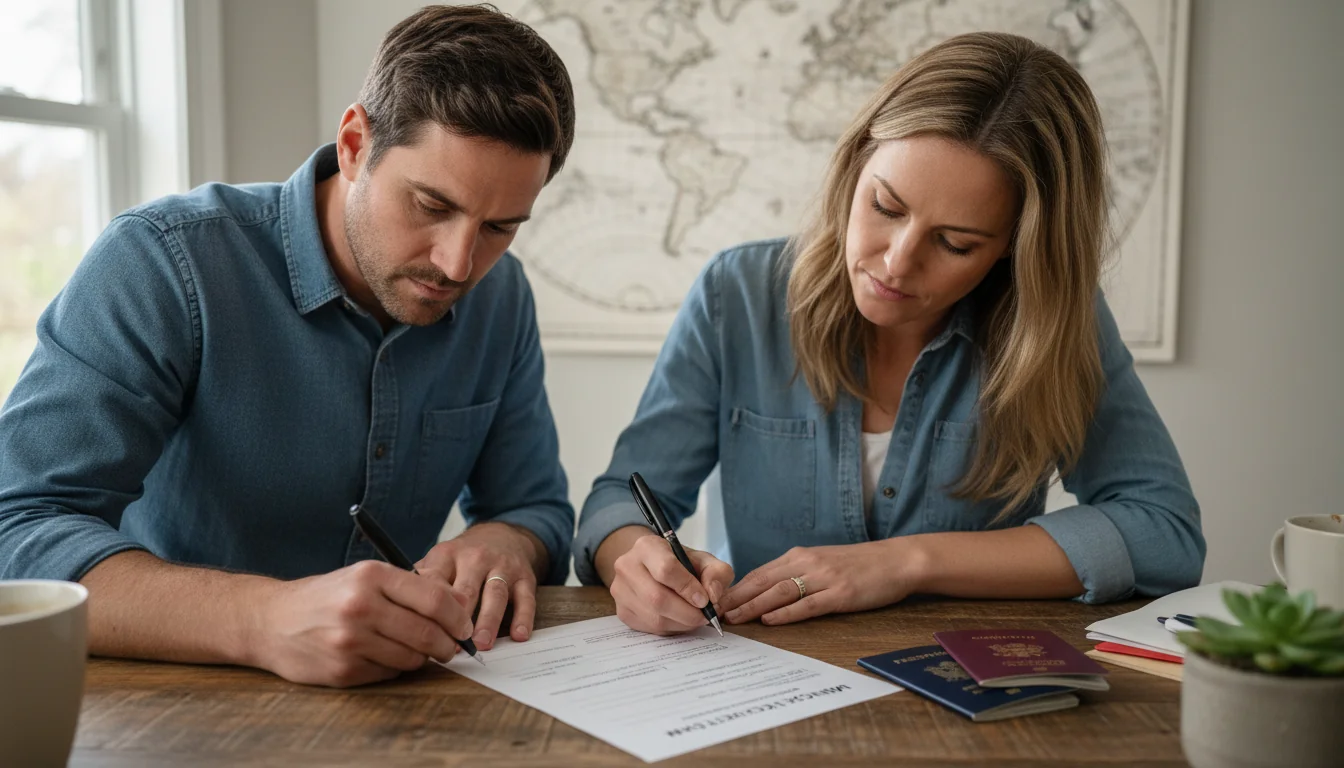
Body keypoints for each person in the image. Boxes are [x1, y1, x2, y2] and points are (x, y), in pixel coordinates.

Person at [0, 5, 576, 687]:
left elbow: (535, 508)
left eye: (500, 227)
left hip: (404, 704)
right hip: (167, 701)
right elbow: (18, 528)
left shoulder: (500, 297)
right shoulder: (163, 263)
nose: (457, 264)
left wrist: (503, 541)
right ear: (355, 144)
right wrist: (263, 619)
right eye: (431, 206)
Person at [574, 32, 1205, 636]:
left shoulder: (1052, 322)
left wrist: (907, 563)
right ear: (856, 165)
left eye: (955, 243)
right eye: (886, 207)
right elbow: (616, 506)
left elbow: (1164, 532)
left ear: (1014, 249)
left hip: (963, 680)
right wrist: (635, 561)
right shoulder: (736, 295)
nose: (898, 263)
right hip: (761, 672)